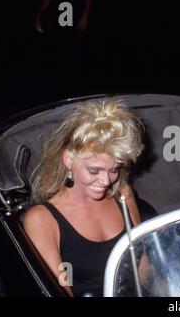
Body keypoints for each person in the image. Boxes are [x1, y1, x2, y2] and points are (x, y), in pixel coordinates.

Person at [24, 100, 144, 297]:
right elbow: (61, 291)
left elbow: (142, 266)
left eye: (114, 169)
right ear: (69, 160)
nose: (106, 181)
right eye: (94, 170)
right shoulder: (42, 220)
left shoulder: (122, 193)